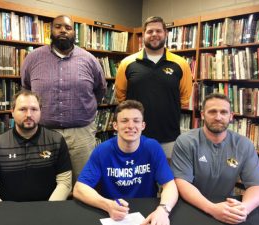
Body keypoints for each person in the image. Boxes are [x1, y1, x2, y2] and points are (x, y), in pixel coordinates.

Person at [21, 15, 107, 182]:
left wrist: (83, 109)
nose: (62, 30)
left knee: (84, 184)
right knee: (44, 182)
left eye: (67, 28)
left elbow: (100, 90)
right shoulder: (33, 58)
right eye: (58, 27)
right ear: (51, 31)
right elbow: (26, 89)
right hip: (43, 133)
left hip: (81, 134)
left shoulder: (89, 60)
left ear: (73, 32)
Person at [73, 100, 178, 225]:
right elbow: (79, 189)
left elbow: (170, 186)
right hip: (111, 213)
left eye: (136, 121)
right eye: (124, 120)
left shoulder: (153, 147)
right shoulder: (102, 150)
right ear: (115, 125)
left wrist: (163, 210)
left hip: (147, 211)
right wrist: (107, 205)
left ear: (143, 126)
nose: (131, 125)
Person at [171, 93, 259, 224]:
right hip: (191, 205)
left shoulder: (244, 145)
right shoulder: (186, 141)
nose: (218, 117)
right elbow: (182, 182)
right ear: (203, 114)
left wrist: (244, 209)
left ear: (231, 116)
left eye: (223, 112)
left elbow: (258, 186)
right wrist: (212, 209)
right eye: (212, 112)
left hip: (227, 207)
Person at [0, 90, 72, 212]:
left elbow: (65, 183)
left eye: (34, 109)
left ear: (40, 111)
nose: (29, 114)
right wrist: (11, 217)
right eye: (22, 109)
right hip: (9, 215)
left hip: (48, 210)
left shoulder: (56, 141)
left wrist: (48, 211)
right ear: (12, 111)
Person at [115, 16, 192, 159]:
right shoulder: (127, 63)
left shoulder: (181, 64)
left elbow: (185, 97)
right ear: (143, 35)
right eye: (150, 31)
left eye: (158, 31)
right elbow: (121, 97)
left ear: (165, 34)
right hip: (135, 136)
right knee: (136, 178)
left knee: (167, 179)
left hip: (169, 137)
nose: (154, 34)